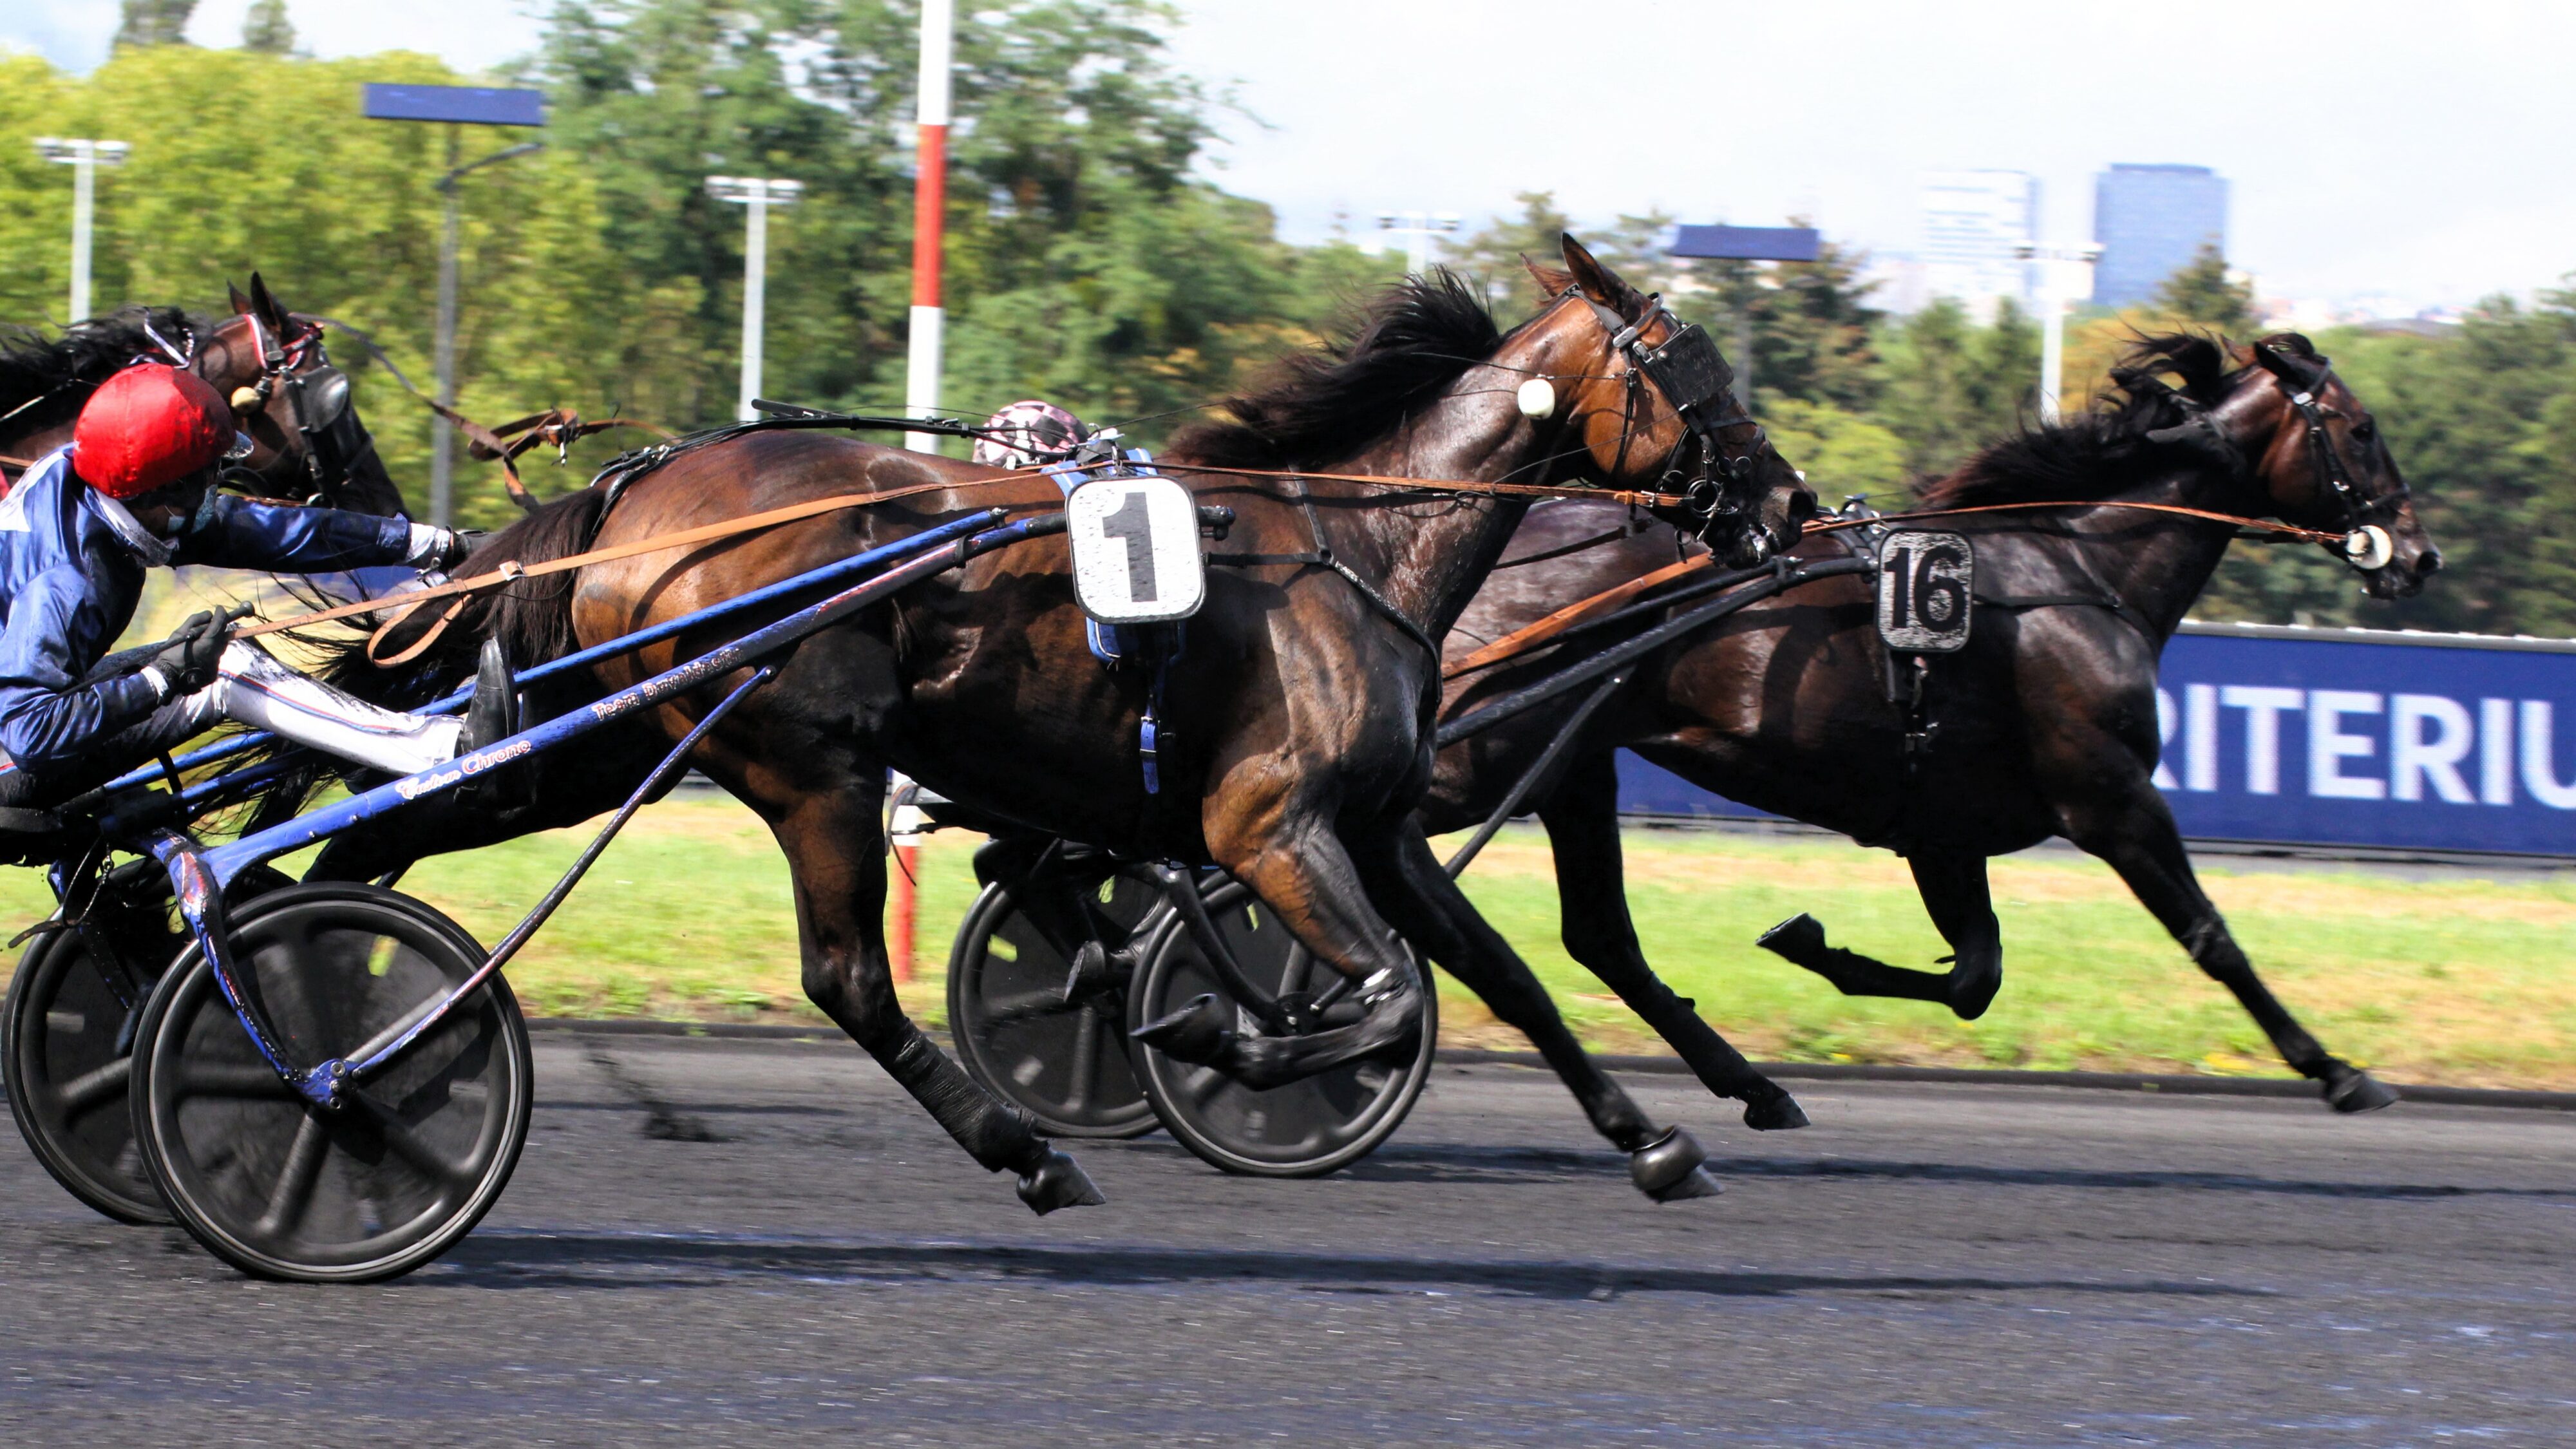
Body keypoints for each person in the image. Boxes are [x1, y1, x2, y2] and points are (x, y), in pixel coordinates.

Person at [0, 363, 512, 812]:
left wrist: (436, 543)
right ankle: (448, 752)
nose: (219, 485)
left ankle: (365, 749)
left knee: (222, 652)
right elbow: (31, 732)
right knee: (225, 668)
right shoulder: (64, 583)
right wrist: (162, 679)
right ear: (168, 492)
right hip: (17, 750)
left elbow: (258, 530)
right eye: (210, 474)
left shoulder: (96, 481)